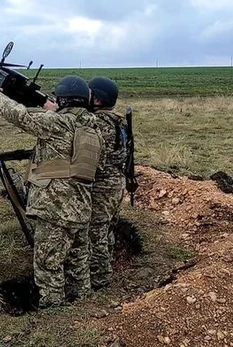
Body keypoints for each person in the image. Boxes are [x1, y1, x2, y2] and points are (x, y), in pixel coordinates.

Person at [0, 74, 104, 308]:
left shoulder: (58, 124)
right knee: (77, 260)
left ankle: (52, 307)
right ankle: (82, 303)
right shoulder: (91, 126)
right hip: (80, 207)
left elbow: (21, 116)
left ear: (63, 100)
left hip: (56, 208)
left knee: (48, 262)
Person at [85, 76, 127, 289]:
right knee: (107, 229)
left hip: (102, 187)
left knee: (96, 234)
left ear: (98, 101)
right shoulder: (116, 119)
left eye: (89, 93)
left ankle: (100, 279)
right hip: (115, 184)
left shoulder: (99, 122)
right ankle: (107, 263)